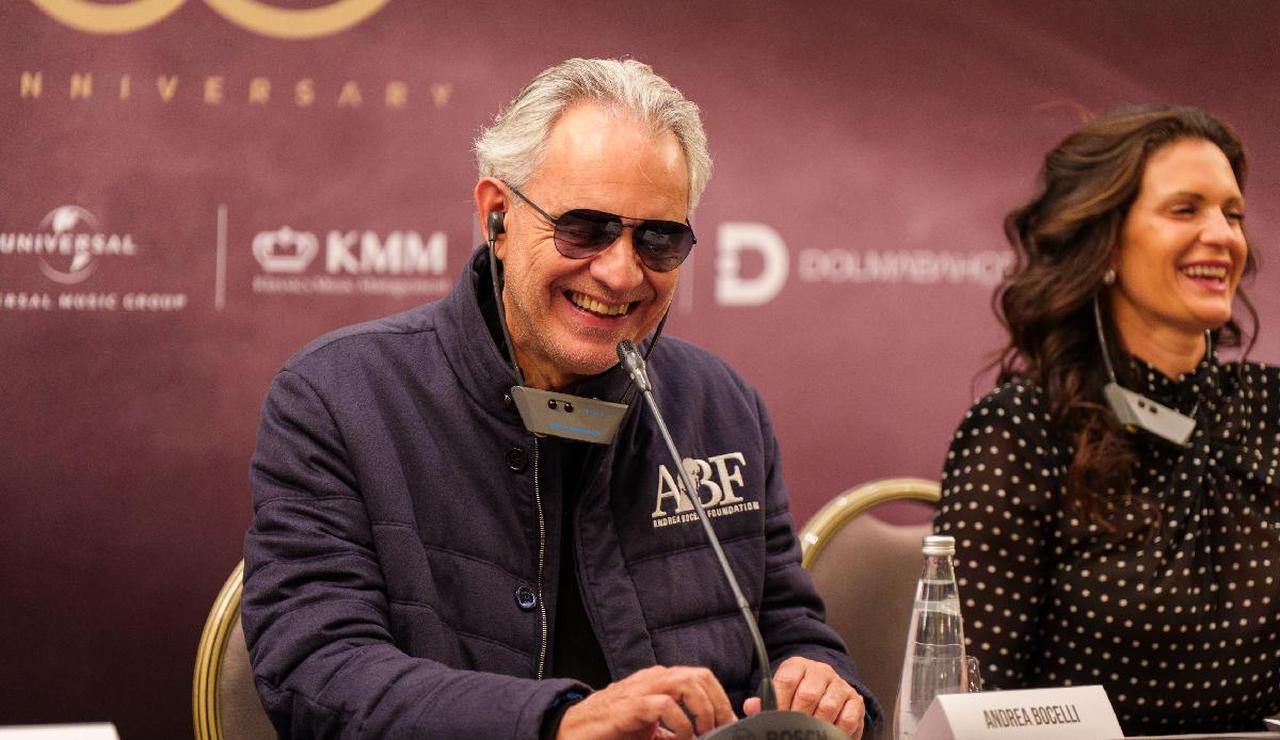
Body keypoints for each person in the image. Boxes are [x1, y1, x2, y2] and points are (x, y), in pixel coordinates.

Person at [242, 58, 875, 739]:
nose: (621, 271)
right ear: (498, 217)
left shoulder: (725, 407)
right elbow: (319, 671)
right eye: (585, 229)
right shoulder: (337, 397)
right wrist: (555, 724)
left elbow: (785, 628)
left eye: (658, 239)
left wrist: (817, 676)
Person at [935, 105, 1280, 735]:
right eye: (1186, 210)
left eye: (1232, 213)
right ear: (1107, 243)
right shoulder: (1021, 433)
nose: (1224, 237)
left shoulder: (1269, 412)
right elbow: (966, 712)